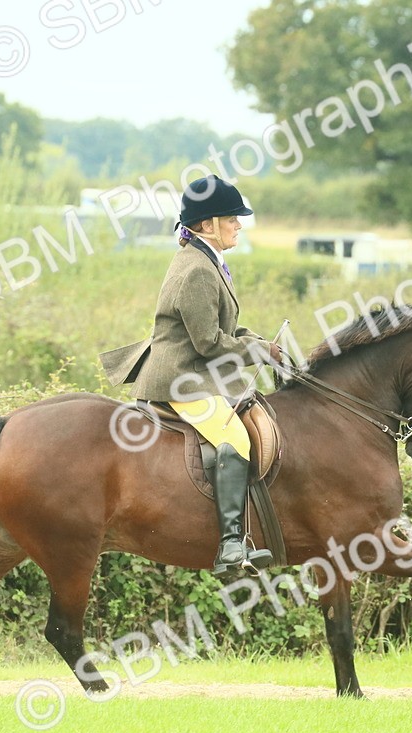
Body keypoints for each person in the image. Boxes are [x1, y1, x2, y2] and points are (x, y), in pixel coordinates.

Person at [99, 175, 279, 578]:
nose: (239, 225)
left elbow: (227, 332)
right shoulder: (197, 269)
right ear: (208, 224)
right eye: (233, 218)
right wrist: (256, 351)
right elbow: (209, 343)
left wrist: (264, 344)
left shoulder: (208, 261)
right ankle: (232, 545)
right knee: (234, 436)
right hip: (182, 377)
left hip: (197, 371)